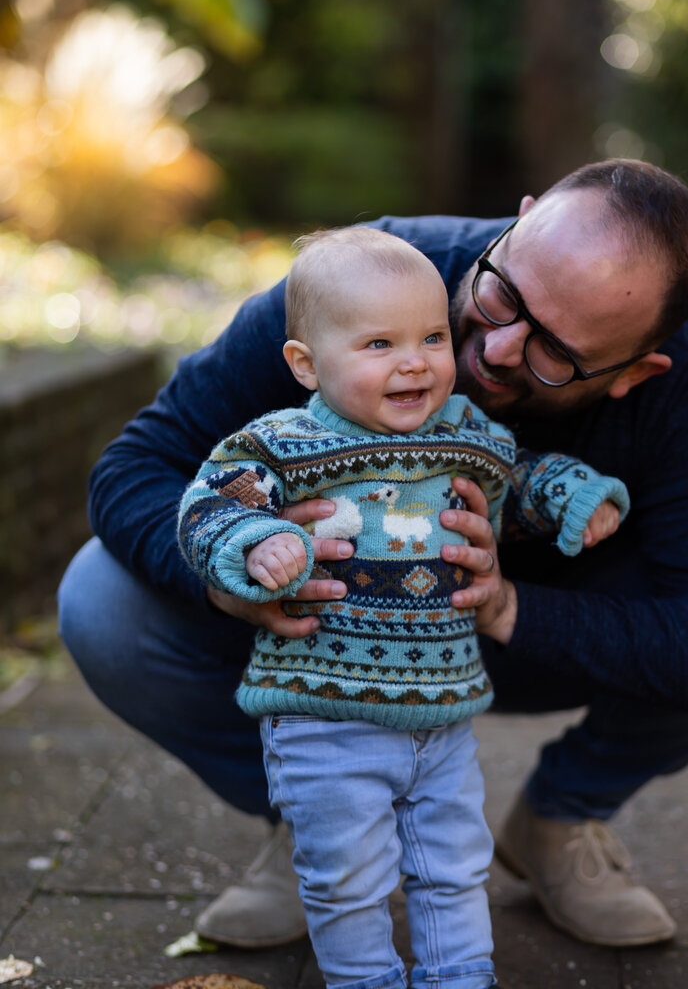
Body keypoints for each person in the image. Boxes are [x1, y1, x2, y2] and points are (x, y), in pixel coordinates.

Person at [58, 158, 688, 955]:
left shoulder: (685, 384)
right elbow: (134, 469)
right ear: (517, 221)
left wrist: (509, 605)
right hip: (327, 631)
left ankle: (561, 817)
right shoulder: (359, 282)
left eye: (555, 351)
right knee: (101, 598)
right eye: (503, 294)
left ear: (636, 372)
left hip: (536, 638)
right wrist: (229, 581)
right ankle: (318, 821)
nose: (497, 347)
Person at [175, 226, 629, 989]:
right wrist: (252, 545)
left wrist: (574, 495)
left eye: (430, 337)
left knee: (453, 868)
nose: (415, 361)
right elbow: (207, 504)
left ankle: (461, 977)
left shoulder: (464, 436)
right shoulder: (281, 445)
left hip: (444, 715)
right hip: (325, 715)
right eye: (379, 344)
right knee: (347, 882)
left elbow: (516, 480)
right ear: (306, 365)